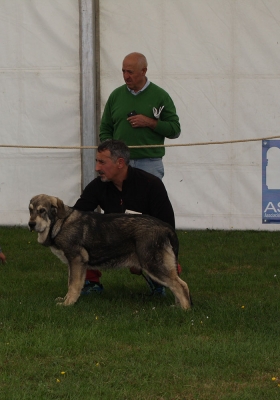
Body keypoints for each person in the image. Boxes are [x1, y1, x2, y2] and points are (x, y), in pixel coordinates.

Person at [74, 140, 177, 295]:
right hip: (111, 243)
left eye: (102, 162)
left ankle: (157, 281)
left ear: (120, 163)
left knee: (168, 265)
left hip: (144, 244)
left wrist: (167, 257)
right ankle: (90, 283)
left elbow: (168, 226)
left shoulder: (151, 184)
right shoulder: (97, 186)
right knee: (79, 237)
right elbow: (76, 216)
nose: (97, 168)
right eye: (97, 162)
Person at [99, 52, 180, 179]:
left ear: (144, 71)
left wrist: (149, 122)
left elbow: (175, 131)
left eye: (130, 72)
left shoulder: (160, 96)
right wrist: (112, 154)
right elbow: (105, 129)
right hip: (120, 164)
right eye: (123, 71)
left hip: (150, 163)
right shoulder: (116, 95)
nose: (126, 76)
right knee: (118, 199)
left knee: (148, 199)